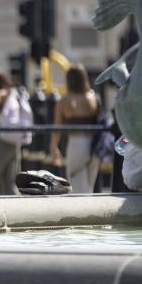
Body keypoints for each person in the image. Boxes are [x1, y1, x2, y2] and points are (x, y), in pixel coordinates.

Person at [49, 65, 100, 194]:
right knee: (90, 188)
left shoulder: (64, 101)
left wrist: (54, 147)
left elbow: (57, 127)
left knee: (76, 187)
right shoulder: (93, 98)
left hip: (77, 144)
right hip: (95, 145)